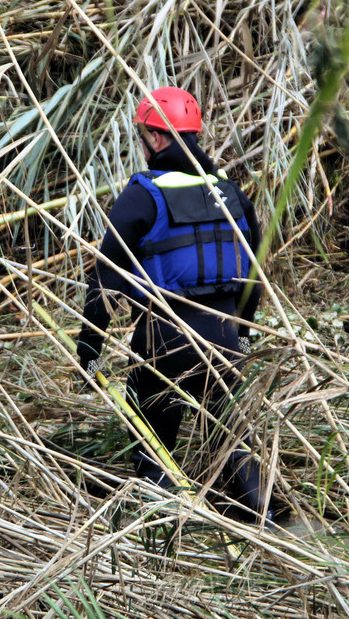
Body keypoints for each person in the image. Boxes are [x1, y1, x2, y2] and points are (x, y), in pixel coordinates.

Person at [75, 86, 270, 522]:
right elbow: (253, 280)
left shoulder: (143, 195)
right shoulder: (233, 194)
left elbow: (105, 281)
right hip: (224, 342)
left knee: (154, 442)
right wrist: (240, 337)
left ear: (157, 139)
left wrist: (88, 354)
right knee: (232, 438)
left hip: (166, 342)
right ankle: (262, 516)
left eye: (144, 136)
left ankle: (161, 520)